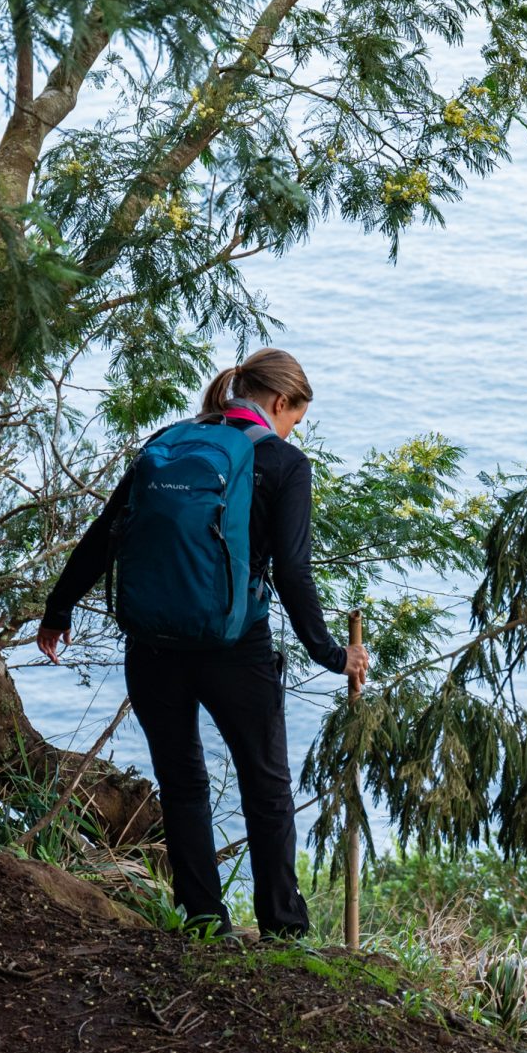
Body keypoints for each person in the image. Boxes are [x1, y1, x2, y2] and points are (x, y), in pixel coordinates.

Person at [34, 348, 368, 939]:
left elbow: (106, 531)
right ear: (280, 403)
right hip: (235, 649)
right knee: (265, 785)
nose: (294, 430)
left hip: (153, 644)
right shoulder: (285, 464)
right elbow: (293, 572)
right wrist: (333, 654)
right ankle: (283, 930)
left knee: (182, 779)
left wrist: (59, 609)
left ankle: (205, 921)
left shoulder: (168, 442)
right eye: (297, 417)